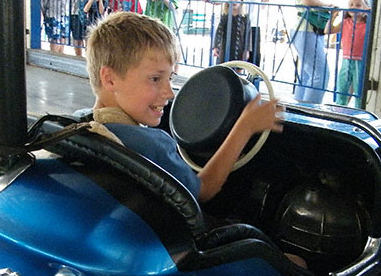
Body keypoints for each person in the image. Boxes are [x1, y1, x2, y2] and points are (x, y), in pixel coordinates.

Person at [85, 11, 283, 202]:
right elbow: (202, 191)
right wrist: (245, 127)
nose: (170, 93)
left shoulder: (79, 123)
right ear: (109, 80)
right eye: (155, 79)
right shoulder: (151, 145)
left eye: (170, 78)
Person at [291, 0, 335, 104]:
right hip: (306, 28)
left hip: (307, 29)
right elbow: (307, 0)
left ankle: (299, 110)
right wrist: (328, 6)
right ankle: (310, 114)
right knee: (321, 74)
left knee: (307, 73)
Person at [332, 0, 370, 108]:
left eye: (358, 5)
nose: (353, 7)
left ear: (365, 9)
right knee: (342, 85)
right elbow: (328, 30)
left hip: (360, 60)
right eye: (351, 5)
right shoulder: (345, 23)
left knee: (359, 88)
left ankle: (359, 110)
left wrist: (370, 12)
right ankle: (340, 108)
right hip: (346, 59)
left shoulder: (367, 24)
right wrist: (333, 16)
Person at [212, 0, 251, 64]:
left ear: (241, 0)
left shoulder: (245, 17)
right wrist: (215, 47)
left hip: (239, 48)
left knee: (238, 68)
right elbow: (219, 31)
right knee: (223, 68)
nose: (233, 1)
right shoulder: (225, 16)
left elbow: (248, 35)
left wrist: (247, 50)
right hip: (225, 47)